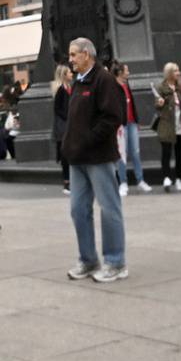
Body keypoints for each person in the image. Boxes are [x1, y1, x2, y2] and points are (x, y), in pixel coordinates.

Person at [60, 37, 126, 283]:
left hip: (99, 157)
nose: (71, 59)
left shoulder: (103, 80)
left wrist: (86, 140)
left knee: (109, 210)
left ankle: (116, 261)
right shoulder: (78, 81)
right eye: (71, 54)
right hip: (77, 159)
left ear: (87, 54)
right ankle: (88, 259)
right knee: (78, 210)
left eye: (74, 54)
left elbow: (112, 118)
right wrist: (69, 146)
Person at [112, 61, 149, 194]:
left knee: (135, 152)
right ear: (120, 72)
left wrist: (136, 120)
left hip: (132, 123)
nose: (129, 72)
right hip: (121, 125)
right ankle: (123, 182)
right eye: (127, 70)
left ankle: (140, 180)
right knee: (122, 154)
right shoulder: (113, 87)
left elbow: (131, 103)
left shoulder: (127, 84)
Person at [151, 62, 181, 192]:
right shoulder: (161, 87)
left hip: (180, 125)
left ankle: (179, 178)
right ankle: (166, 177)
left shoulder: (180, 87)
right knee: (166, 152)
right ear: (169, 73)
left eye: (178, 70)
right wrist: (160, 103)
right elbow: (157, 103)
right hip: (166, 124)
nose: (178, 73)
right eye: (175, 71)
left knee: (179, 153)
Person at [51, 64, 73, 192]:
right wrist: (68, 117)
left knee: (68, 154)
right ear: (64, 75)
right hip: (63, 126)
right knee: (65, 155)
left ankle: (70, 180)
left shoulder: (69, 87)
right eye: (70, 72)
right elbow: (57, 109)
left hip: (67, 124)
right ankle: (66, 181)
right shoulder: (61, 90)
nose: (72, 74)